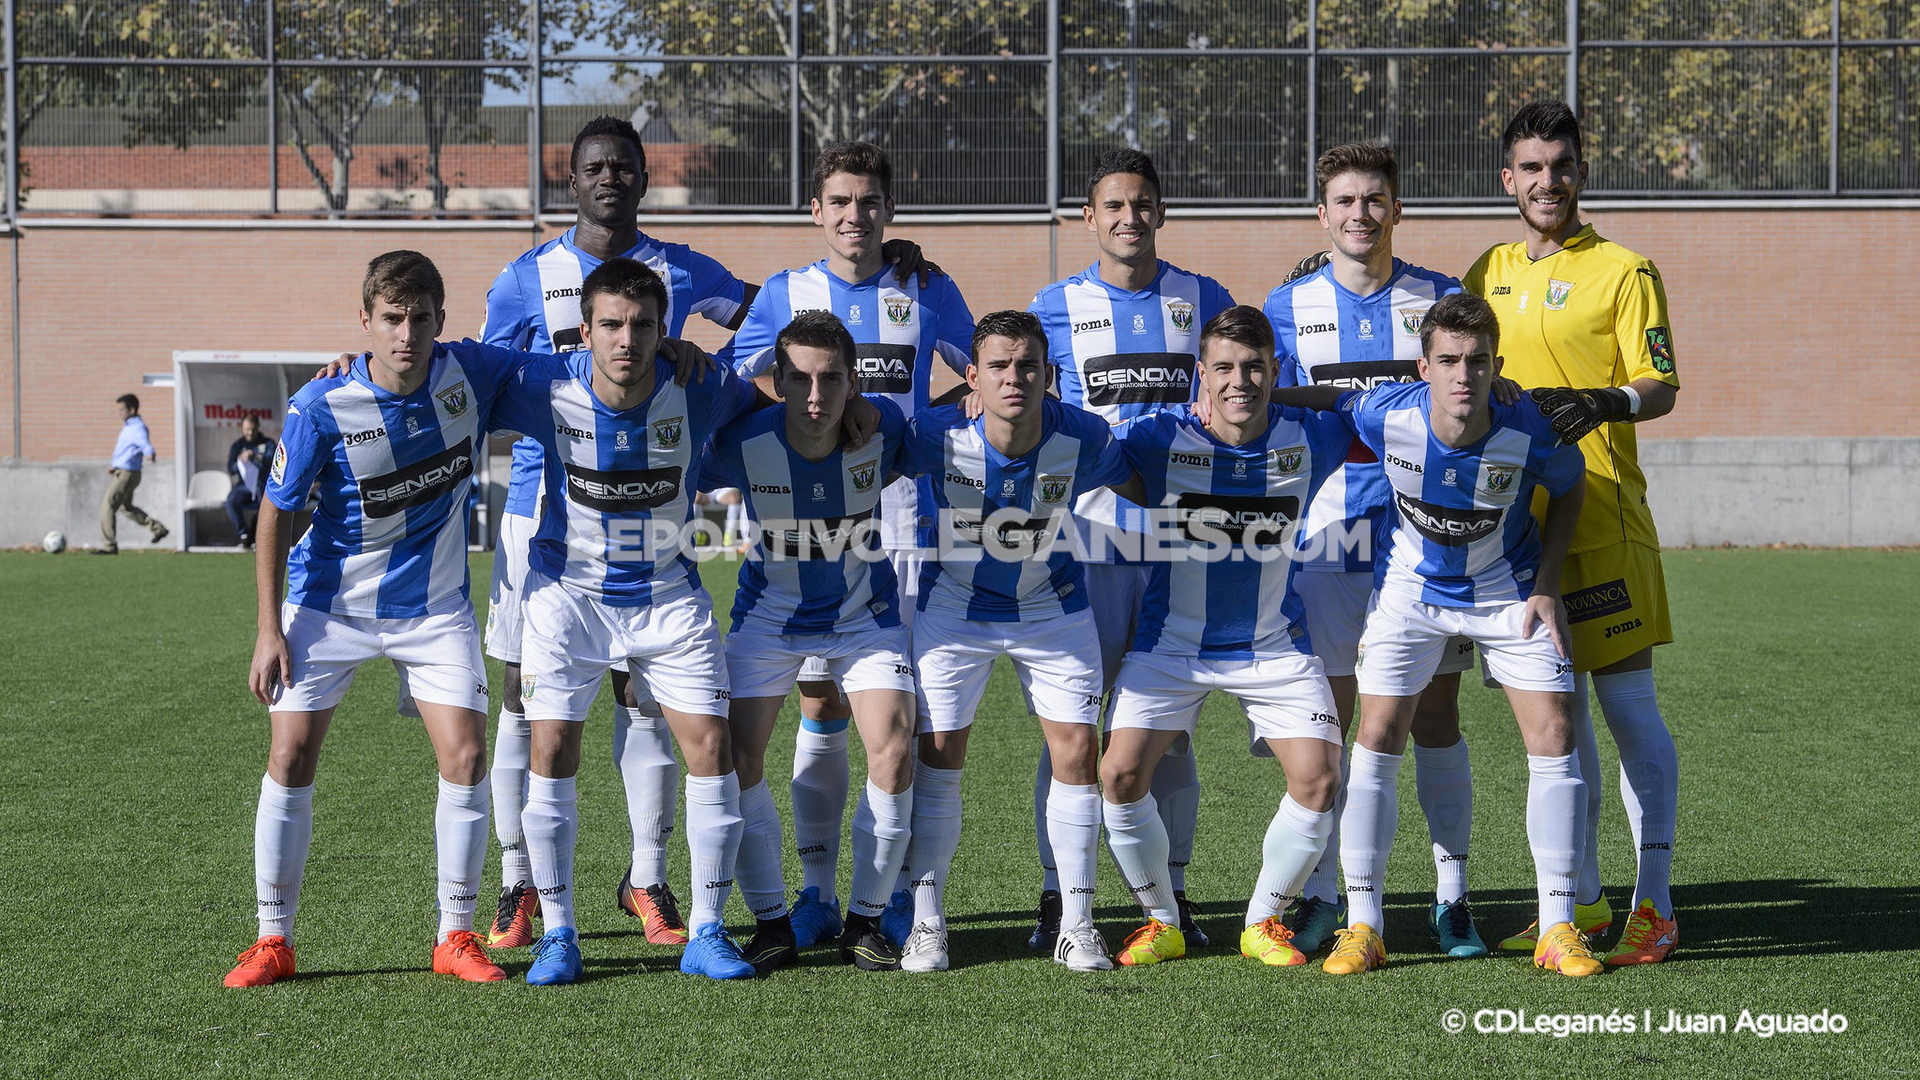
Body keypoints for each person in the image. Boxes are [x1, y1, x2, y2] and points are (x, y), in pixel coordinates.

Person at [488, 258, 879, 984]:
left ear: (666, 332)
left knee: (712, 746)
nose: (626, 340)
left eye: (642, 325)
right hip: (565, 594)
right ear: (585, 329)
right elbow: (438, 370)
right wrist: (353, 367)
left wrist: (865, 407)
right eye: (611, 324)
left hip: (669, 593)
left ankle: (705, 929)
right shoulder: (541, 381)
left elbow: (791, 410)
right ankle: (560, 934)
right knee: (551, 749)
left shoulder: (702, 384)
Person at [477, 114, 761, 952]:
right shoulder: (528, 275)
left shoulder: (681, 267)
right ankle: (518, 881)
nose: (610, 178)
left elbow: (767, 313)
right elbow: (490, 376)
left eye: (625, 167)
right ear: (572, 181)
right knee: (525, 706)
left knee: (646, 698)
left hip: (653, 506)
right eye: (594, 167)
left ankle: (647, 876)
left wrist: (713, 363)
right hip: (544, 512)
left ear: (643, 178)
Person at [1270, 293, 1600, 977]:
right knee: (1378, 736)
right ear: (1423, 366)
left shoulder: (1529, 426)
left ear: (1497, 366)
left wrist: (1547, 582)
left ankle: (1559, 925)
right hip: (1411, 595)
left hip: (1507, 594)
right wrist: (1259, 389)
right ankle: (1364, 925)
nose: (1463, 375)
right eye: (1448, 360)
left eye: (1478, 361)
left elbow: (1572, 487)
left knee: (1557, 734)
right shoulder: (1387, 412)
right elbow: (1329, 398)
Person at [224, 251, 520, 988]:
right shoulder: (319, 406)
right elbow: (273, 517)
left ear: (440, 322)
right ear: (366, 322)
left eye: (420, 317)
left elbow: (576, 362)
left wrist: (671, 350)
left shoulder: (473, 374)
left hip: (433, 608)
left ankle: (455, 935)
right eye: (391, 318)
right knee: (290, 755)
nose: (406, 333)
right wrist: (268, 628)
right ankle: (272, 940)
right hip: (328, 606)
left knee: (467, 756)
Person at [717, 139, 974, 949]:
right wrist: (812, 417)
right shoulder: (786, 293)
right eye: (840, 201)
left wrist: (894, 420)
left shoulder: (928, 286)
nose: (855, 216)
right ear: (816, 211)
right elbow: (733, 380)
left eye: (869, 202)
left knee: (906, 723)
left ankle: (898, 896)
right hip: (806, 529)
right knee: (819, 703)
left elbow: (978, 379)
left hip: (906, 527)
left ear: (888, 211)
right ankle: (818, 892)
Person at [1465, 100, 1682, 965]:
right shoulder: (1485, 269)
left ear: (1580, 173)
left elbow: (1662, 383)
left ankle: (1655, 904)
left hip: (1600, 518)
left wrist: (1608, 400)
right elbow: (1448, 357)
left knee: (1627, 711)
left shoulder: (1626, 270)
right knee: (1558, 721)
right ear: (1507, 179)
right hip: (1516, 533)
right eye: (1530, 167)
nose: (1546, 181)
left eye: (1561, 165)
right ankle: (1584, 900)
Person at [1262, 142, 1488, 959]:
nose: (1360, 214)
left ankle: (1452, 898)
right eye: (1344, 201)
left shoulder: (1442, 298)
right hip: (1325, 534)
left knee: (1434, 713)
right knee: (1334, 716)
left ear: (1398, 207)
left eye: (1374, 199)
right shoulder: (1285, 307)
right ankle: (1331, 897)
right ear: (1320, 214)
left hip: (1424, 535)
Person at [1022, 148, 1234, 950]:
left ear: (1161, 213)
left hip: (1180, 545)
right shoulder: (1052, 305)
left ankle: (1170, 898)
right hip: (1085, 544)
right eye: (1113, 206)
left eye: (1143, 204)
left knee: (1168, 728)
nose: (1129, 218)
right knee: (1071, 727)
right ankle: (1056, 893)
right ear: (1088, 217)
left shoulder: (1203, 298)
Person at [1098, 307, 1352, 969]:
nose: (1240, 380)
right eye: (1224, 369)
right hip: (1169, 645)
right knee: (1119, 776)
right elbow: (1068, 435)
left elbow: (1390, 406)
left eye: (1254, 367)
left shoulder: (1313, 436)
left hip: (1273, 646)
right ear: (1201, 378)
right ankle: (1161, 921)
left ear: (1276, 370)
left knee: (1320, 779)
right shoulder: (1155, 438)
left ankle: (1262, 921)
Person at [892, 310, 1134, 973]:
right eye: (998, 366)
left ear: (1049, 375)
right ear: (972, 376)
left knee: (1078, 751)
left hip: (1051, 610)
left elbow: (1137, 478)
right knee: (938, 754)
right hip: (953, 610)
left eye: (1027, 365)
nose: (1014, 377)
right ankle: (927, 922)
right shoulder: (936, 432)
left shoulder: (1082, 433)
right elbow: (867, 447)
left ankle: (1078, 924)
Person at [702, 311, 917, 972]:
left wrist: (879, 409)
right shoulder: (743, 440)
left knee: (895, 744)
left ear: (853, 382)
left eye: (831, 380)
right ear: (779, 382)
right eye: (800, 380)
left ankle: (866, 919)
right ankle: (772, 922)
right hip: (768, 617)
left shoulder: (882, 433)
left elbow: (929, 428)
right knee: (732, 756)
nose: (816, 397)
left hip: (864, 618)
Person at [99, 393, 168, 553]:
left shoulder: (137, 427)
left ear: (132, 409)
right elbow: (128, 450)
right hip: (124, 471)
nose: (120, 413)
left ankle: (109, 546)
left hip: (127, 474)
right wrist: (115, 465)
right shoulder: (129, 426)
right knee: (126, 507)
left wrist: (150, 454)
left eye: (122, 410)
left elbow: (145, 444)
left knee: (107, 507)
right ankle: (158, 529)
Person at [225, 415, 276, 548]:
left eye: (253, 429)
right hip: (245, 486)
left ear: (258, 427)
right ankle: (243, 534)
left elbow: (272, 462)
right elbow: (231, 468)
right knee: (231, 500)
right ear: (242, 428)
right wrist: (240, 461)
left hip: (264, 484)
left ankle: (255, 535)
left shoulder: (268, 443)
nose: (250, 433)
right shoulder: (238, 445)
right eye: (247, 429)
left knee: (265, 506)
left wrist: (255, 457)